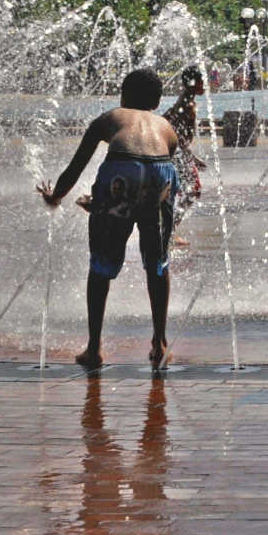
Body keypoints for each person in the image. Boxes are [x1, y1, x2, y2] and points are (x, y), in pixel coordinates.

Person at [37, 68, 182, 369]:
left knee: (101, 265)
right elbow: (159, 172)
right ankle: (159, 342)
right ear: (156, 103)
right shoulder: (165, 126)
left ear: (124, 95)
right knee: (157, 262)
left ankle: (94, 348)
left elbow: (76, 167)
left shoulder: (111, 117)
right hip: (162, 170)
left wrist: (58, 197)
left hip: (120, 167)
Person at [166, 66, 207, 244]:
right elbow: (177, 132)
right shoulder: (187, 104)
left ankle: (167, 232)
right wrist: (193, 157)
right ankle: (168, 233)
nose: (204, 84)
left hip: (177, 153)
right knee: (191, 192)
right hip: (179, 154)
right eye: (201, 81)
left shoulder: (184, 100)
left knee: (176, 192)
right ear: (193, 84)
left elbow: (168, 117)